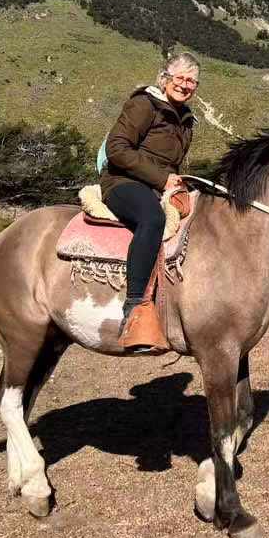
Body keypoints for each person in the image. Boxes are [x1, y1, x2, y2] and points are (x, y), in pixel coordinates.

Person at [100, 52, 200, 337]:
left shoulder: (185, 119)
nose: (185, 85)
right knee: (152, 218)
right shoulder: (144, 104)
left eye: (192, 81)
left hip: (157, 186)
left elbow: (170, 163)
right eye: (180, 78)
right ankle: (135, 305)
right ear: (165, 78)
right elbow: (116, 148)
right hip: (123, 181)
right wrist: (161, 178)